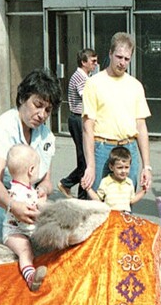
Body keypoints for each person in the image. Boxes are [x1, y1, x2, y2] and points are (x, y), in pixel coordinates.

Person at [0, 69, 60, 238]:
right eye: (38, 105)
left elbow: (46, 180)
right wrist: (12, 205)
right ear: (22, 99)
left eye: (48, 110)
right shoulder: (1, 129)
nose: (42, 115)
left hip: (25, 217)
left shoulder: (46, 135)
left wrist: (43, 190)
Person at [81, 32, 153, 195]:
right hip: (102, 149)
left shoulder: (135, 85)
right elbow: (87, 127)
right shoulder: (94, 83)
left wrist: (146, 166)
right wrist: (90, 165)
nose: (122, 63)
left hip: (129, 148)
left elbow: (141, 126)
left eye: (126, 59)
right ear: (110, 54)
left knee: (125, 203)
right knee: (98, 204)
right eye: (118, 57)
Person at [2, 144, 47, 292]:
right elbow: (29, 214)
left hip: (28, 231)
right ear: (31, 170)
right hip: (14, 232)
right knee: (25, 250)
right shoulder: (16, 193)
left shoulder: (28, 189)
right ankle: (30, 277)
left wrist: (41, 198)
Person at [58, 48, 98, 198]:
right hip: (78, 119)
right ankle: (66, 183)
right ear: (83, 62)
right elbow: (87, 97)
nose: (95, 64)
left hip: (80, 119)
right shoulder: (80, 78)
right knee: (84, 159)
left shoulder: (85, 77)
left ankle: (83, 193)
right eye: (92, 61)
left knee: (85, 158)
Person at [86, 146, 146, 212]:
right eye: (120, 168)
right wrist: (88, 189)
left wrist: (143, 191)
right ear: (111, 167)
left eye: (126, 167)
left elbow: (131, 200)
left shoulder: (129, 182)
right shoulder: (106, 182)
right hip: (111, 215)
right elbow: (98, 199)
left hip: (125, 216)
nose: (123, 171)